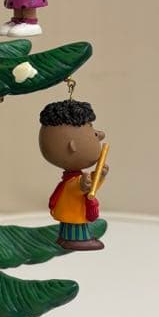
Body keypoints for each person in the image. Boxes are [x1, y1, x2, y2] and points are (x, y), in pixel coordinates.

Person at [38, 99, 108, 250]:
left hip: (69, 210)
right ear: (73, 146)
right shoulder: (73, 182)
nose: (100, 135)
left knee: (70, 223)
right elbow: (78, 187)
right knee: (75, 228)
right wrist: (83, 185)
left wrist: (100, 176)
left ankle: (64, 238)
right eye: (93, 131)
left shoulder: (71, 180)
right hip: (73, 213)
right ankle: (77, 240)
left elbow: (89, 187)